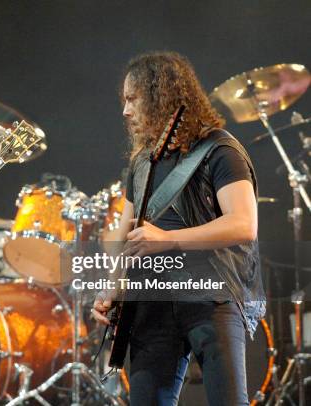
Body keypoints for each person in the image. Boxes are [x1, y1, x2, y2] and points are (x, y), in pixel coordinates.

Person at [92, 51, 265, 405]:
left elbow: (243, 224)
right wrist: (111, 287)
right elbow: (125, 237)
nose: (125, 111)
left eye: (132, 99)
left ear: (162, 96)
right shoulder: (142, 163)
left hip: (210, 295)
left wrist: (168, 238)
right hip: (152, 300)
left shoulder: (221, 150)